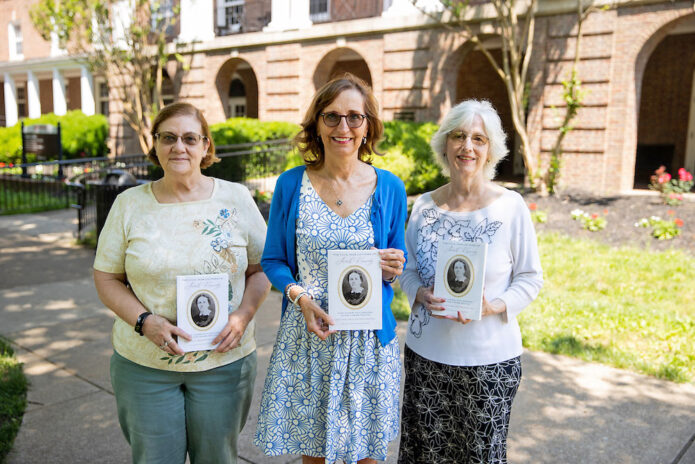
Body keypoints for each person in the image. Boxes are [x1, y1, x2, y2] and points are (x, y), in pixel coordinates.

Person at [93, 102, 270, 464]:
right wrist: (145, 322)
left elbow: (262, 268)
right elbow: (107, 278)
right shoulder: (129, 205)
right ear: (155, 145)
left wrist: (243, 315)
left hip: (223, 362)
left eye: (190, 138)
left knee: (217, 458)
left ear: (206, 146)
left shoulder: (235, 198)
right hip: (145, 366)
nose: (179, 147)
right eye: (168, 137)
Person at [254, 73, 407, 464]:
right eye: (332, 116)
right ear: (316, 125)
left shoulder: (389, 188)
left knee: (368, 458)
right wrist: (298, 296)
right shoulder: (291, 185)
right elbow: (272, 260)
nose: (344, 127)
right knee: (315, 458)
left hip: (368, 343)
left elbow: (396, 263)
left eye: (355, 117)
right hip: (310, 338)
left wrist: (392, 266)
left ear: (368, 125)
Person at [398, 99, 543, 464]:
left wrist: (491, 305)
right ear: (445, 144)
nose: (467, 146)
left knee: (479, 456)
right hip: (425, 357)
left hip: (489, 363)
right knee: (425, 455)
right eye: (459, 136)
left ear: (491, 149)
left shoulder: (510, 207)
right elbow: (408, 269)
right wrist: (420, 293)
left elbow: (530, 278)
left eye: (478, 139)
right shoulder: (424, 207)